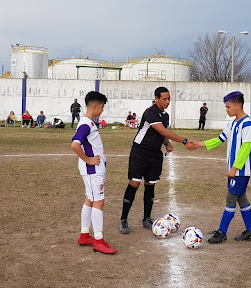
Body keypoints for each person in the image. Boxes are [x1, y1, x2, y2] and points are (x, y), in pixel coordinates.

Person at [119, 86, 196, 234]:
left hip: (155, 155)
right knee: (134, 183)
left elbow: (162, 135)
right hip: (140, 153)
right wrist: (184, 140)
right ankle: (123, 219)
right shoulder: (150, 112)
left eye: (169, 99)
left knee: (150, 185)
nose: (167, 101)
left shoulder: (164, 116)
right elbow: (162, 130)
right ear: (157, 99)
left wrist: (167, 143)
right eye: (164, 99)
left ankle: (146, 219)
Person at [191, 91, 251, 243]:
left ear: (238, 105)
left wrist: (234, 168)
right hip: (236, 171)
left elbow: (246, 148)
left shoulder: (248, 125)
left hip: (241, 171)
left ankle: (222, 232)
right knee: (241, 199)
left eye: (228, 107)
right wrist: (199, 144)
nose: (226, 110)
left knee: (231, 198)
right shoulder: (233, 123)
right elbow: (219, 139)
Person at [71, 91, 116, 254]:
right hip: (92, 169)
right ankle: (98, 240)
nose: (102, 110)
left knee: (90, 199)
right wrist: (89, 160)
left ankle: (84, 235)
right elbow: (75, 144)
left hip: (93, 170)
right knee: (99, 201)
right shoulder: (85, 124)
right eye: (102, 107)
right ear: (95, 106)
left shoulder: (88, 123)